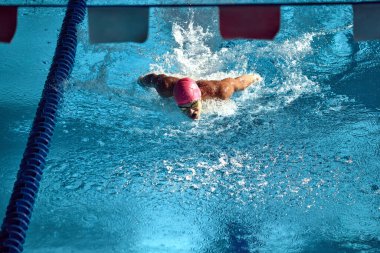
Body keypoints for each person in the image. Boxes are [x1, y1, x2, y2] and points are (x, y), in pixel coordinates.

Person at [137, 73, 261, 120]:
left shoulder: (220, 91)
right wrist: (141, 80)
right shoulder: (165, 88)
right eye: (184, 108)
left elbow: (239, 82)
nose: (191, 112)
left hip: (208, 87)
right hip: (174, 83)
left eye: (193, 105)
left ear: (200, 98)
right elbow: (152, 79)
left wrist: (254, 77)